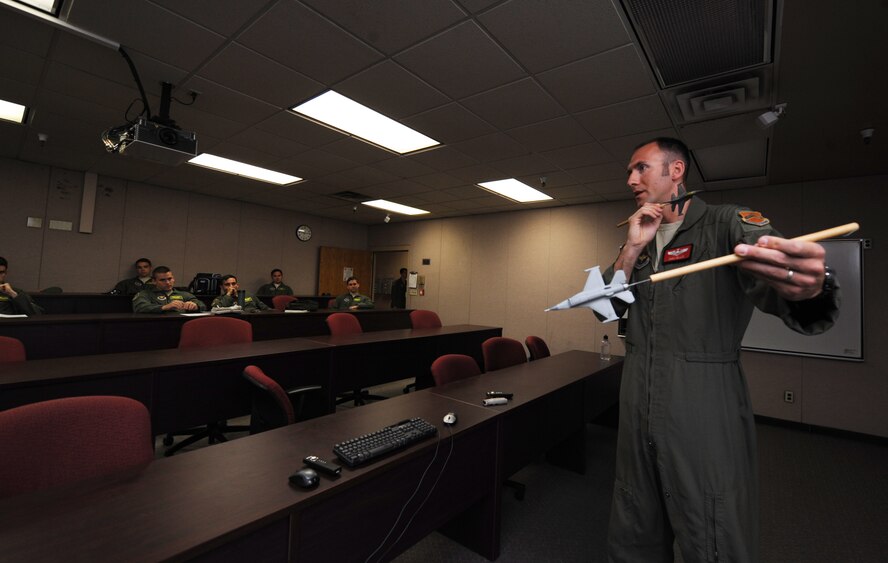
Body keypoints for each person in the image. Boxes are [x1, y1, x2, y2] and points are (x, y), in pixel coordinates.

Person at [603, 138, 839, 562]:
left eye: (640, 168)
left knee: (711, 524)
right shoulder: (637, 238)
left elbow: (772, 260)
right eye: (629, 172)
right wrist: (632, 247)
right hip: (636, 397)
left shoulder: (725, 223)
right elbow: (604, 308)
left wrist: (803, 284)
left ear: (676, 171)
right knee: (635, 516)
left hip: (703, 402)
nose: (630, 179)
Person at [132, 266, 206, 313]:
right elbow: (140, 307)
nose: (167, 282)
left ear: (173, 278)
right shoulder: (145, 294)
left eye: (170, 279)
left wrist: (195, 306)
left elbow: (202, 305)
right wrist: (164, 307)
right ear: (154, 281)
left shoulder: (184, 294)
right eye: (162, 280)